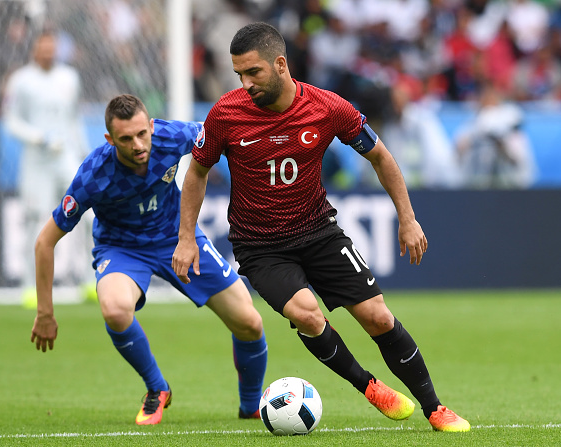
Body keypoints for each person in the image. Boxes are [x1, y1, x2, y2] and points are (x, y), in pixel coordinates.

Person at [172, 22, 470, 432]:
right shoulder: (225, 113)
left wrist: (407, 217)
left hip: (319, 233)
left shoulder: (328, 107)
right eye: (238, 74)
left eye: (253, 72)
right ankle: (369, 386)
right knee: (307, 315)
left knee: (378, 317)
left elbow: (380, 156)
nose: (245, 83)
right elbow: (197, 172)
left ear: (280, 64)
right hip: (261, 247)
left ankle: (436, 409)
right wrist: (186, 237)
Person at [30, 94, 268, 425]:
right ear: (109, 140)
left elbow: (221, 135)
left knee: (250, 322)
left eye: (143, 133)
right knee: (114, 309)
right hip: (122, 250)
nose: (139, 144)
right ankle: (157, 388)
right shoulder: (93, 175)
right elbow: (45, 242)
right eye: (126, 139)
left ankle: (251, 406)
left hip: (178, 236)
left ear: (152, 126)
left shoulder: (172, 136)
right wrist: (45, 312)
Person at [3, 29, 91, 301]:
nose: (48, 52)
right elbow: (11, 121)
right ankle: (31, 286)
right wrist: (39, 138)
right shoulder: (21, 80)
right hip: (37, 161)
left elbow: (74, 118)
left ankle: (89, 281)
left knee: (87, 216)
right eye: (43, 47)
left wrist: (85, 153)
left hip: (66, 158)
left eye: (52, 47)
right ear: (34, 50)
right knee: (35, 220)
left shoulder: (69, 78)